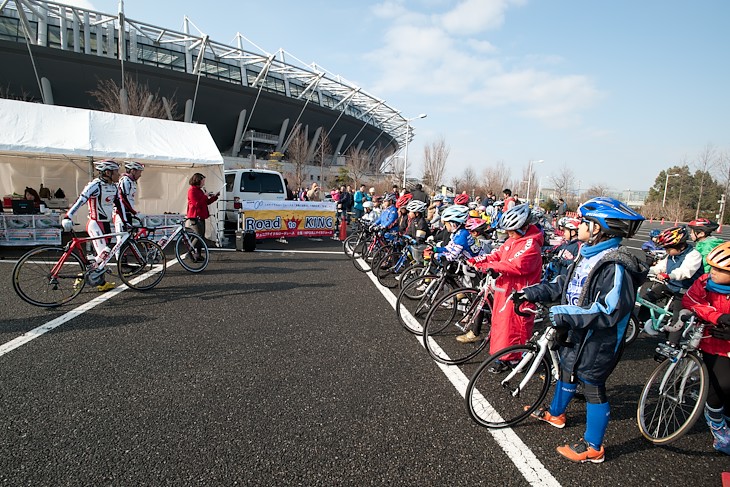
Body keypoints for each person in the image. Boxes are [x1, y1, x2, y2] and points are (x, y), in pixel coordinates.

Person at [515, 197, 647, 464]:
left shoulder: (615, 264)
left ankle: (593, 446)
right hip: (577, 331)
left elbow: (609, 310)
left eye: (586, 222)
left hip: (600, 340)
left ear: (598, 229)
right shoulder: (586, 254)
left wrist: (563, 313)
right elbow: (564, 285)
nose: (580, 226)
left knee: (592, 385)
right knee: (566, 368)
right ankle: (556, 414)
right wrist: (531, 292)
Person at [464, 204, 543, 357]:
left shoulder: (531, 244)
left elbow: (516, 264)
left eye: (511, 230)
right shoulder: (513, 240)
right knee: (501, 325)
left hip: (520, 293)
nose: (508, 233)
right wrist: (476, 261)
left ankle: (514, 359)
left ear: (524, 227)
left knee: (514, 328)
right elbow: (497, 254)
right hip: (505, 289)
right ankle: (500, 355)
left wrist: (488, 266)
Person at [682, 241, 730, 455]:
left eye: (720, 269)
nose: (713, 273)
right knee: (721, 386)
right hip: (713, 343)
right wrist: (717, 316)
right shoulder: (704, 281)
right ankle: (718, 428)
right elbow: (690, 300)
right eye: (712, 267)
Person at [62, 160, 124, 292]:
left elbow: (119, 204)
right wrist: (68, 216)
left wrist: (127, 220)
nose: (118, 175)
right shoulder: (95, 185)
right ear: (108, 172)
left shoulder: (114, 186)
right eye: (116, 172)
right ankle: (83, 274)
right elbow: (81, 200)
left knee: (104, 255)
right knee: (105, 253)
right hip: (95, 224)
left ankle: (100, 282)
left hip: (106, 224)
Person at [639, 225, 703, 340]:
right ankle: (642, 323)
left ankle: (672, 344)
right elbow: (661, 266)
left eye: (668, 249)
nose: (666, 251)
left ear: (680, 246)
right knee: (646, 298)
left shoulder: (694, 255)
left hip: (685, 290)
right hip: (671, 285)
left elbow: (685, 272)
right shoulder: (671, 255)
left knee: (677, 318)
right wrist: (646, 271)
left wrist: (669, 275)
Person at [186, 173, 220, 255]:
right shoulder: (192, 191)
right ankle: (190, 253)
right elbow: (196, 204)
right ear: (198, 181)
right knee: (198, 236)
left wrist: (214, 197)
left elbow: (206, 202)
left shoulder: (199, 190)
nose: (204, 183)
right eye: (203, 181)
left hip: (201, 216)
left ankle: (198, 254)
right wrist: (205, 196)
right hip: (195, 216)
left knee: (201, 236)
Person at [114, 161, 144, 234]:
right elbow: (123, 199)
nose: (140, 175)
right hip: (121, 214)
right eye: (139, 172)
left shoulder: (131, 181)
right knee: (122, 239)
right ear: (133, 171)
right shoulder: (125, 180)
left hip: (127, 213)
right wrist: (134, 213)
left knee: (129, 238)